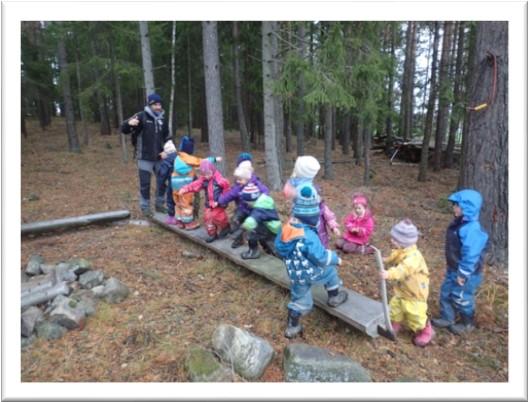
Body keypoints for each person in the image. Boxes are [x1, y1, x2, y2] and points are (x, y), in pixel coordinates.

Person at [275, 184, 348, 339]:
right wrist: (335, 259)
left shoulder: (287, 227)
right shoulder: (308, 235)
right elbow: (320, 257)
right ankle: (334, 296)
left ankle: (292, 326)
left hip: (296, 274)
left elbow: (278, 247)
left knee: (300, 299)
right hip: (312, 270)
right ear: (311, 217)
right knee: (330, 272)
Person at [431, 189, 488, 335]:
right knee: (446, 292)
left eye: (457, 205)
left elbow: (470, 254)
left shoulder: (472, 229)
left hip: (467, 273)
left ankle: (467, 322)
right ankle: (447, 317)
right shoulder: (459, 224)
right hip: (453, 268)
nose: (454, 208)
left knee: (461, 296)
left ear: (467, 208)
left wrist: (463, 274)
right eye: (454, 205)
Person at [380, 219, 434, 347]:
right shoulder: (401, 250)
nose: (392, 241)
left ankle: (426, 330)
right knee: (395, 307)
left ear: (405, 242)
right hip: (402, 289)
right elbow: (395, 256)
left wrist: (389, 274)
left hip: (415, 293)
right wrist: (386, 260)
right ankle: (395, 323)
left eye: (395, 240)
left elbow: (403, 269)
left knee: (415, 314)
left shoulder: (414, 257)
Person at [121, 93, 171, 217]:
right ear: (150, 104)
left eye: (159, 104)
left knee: (162, 181)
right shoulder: (141, 116)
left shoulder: (163, 119)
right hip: (144, 156)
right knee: (145, 184)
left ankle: (159, 205)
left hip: (160, 157)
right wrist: (129, 123)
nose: (158, 107)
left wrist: (167, 151)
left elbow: (167, 137)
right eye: (155, 104)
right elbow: (124, 128)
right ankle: (145, 207)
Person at [282, 155, 340, 247]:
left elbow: (329, 216)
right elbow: (287, 192)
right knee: (302, 243)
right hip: (302, 228)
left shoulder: (321, 206)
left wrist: (334, 227)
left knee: (317, 247)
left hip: (320, 236)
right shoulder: (301, 188)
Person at [168, 136, 221, 230]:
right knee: (186, 202)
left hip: (175, 183)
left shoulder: (178, 157)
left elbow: (186, 168)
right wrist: (215, 159)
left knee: (178, 202)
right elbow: (201, 162)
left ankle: (180, 221)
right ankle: (188, 223)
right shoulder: (188, 158)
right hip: (184, 184)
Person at [218, 158, 269, 249]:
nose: (237, 181)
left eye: (239, 179)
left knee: (257, 227)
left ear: (247, 177)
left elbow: (265, 191)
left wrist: (259, 199)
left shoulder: (256, 183)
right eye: (237, 179)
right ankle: (239, 239)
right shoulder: (238, 186)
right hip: (242, 209)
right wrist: (221, 200)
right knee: (235, 220)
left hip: (254, 210)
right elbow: (230, 195)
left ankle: (265, 244)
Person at [179, 159, 230, 242]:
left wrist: (221, 201)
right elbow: (195, 185)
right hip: (209, 204)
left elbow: (227, 191)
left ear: (212, 170)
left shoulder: (220, 180)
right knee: (208, 218)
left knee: (220, 218)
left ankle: (225, 227)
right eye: (204, 174)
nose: (206, 176)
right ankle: (212, 234)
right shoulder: (204, 180)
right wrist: (185, 189)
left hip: (219, 204)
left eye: (208, 174)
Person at [237, 183, 281, 259]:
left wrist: (244, 226)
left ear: (250, 200)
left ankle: (254, 252)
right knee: (270, 241)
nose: (247, 204)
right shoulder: (264, 201)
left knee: (252, 233)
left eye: (247, 202)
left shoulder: (259, 209)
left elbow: (251, 221)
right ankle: (273, 252)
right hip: (273, 226)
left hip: (270, 228)